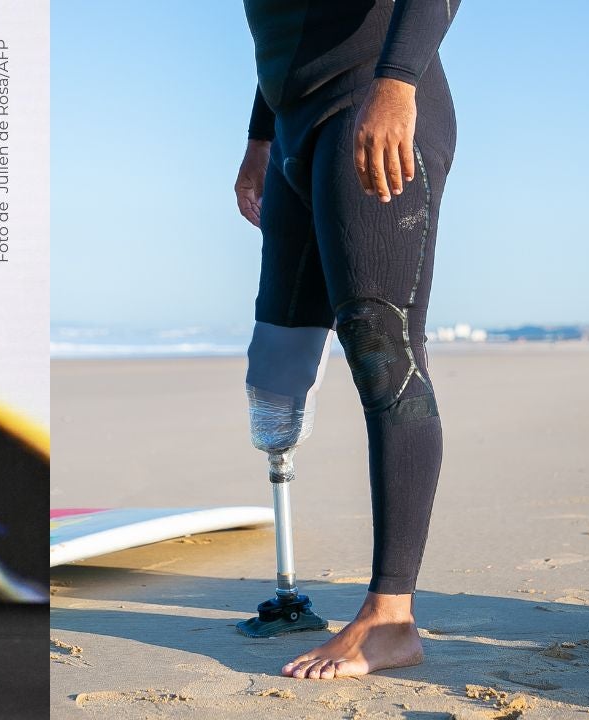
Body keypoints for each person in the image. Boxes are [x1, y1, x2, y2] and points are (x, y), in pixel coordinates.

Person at [235, 0, 461, 679]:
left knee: (383, 351)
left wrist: (397, 84)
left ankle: (391, 618)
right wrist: (259, 135)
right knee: (275, 368)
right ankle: (288, 592)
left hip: (372, 101)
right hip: (291, 128)